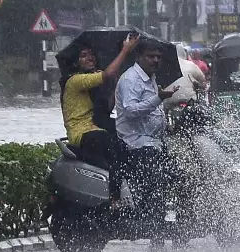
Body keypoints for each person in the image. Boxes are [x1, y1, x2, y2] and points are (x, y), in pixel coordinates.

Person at [113, 42, 177, 228]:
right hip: (136, 144)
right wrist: (159, 98)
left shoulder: (151, 78)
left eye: (158, 57)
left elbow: (153, 111)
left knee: (178, 175)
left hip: (154, 142)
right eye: (151, 56)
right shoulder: (131, 79)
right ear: (139, 57)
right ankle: (151, 224)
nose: (155, 60)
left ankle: (169, 221)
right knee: (154, 183)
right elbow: (130, 111)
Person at [61, 34, 138, 182]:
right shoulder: (75, 81)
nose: (90, 58)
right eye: (83, 56)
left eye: (91, 54)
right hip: (82, 132)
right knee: (109, 143)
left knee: (127, 136)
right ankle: (115, 191)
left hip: (97, 127)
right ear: (76, 62)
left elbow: (107, 108)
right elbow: (107, 74)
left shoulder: (92, 83)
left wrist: (116, 85)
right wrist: (125, 50)